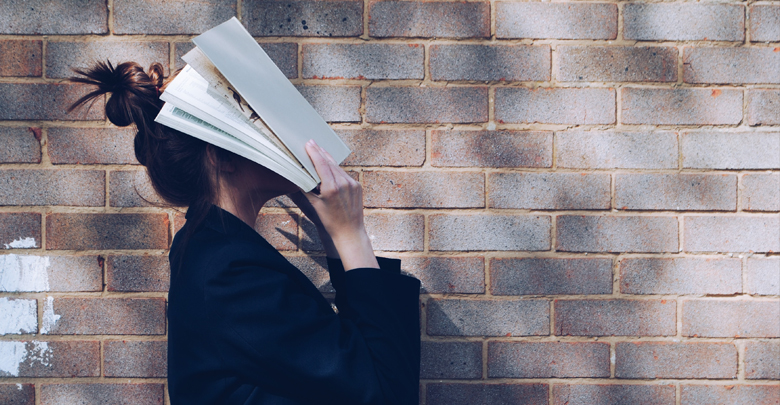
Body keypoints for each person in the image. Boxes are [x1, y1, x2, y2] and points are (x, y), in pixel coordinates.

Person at [68, 60, 421, 404]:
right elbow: (387, 391)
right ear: (221, 157)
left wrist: (332, 231)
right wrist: (351, 234)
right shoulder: (229, 276)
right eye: (258, 123)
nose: (281, 133)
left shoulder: (213, 251)